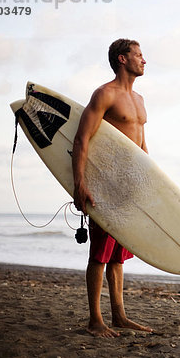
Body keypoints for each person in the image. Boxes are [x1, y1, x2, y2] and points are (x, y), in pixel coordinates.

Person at [72, 38, 152, 337]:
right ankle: (95, 320)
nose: (144, 60)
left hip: (130, 186)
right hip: (106, 184)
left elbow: (142, 146)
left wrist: (150, 184)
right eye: (139, 55)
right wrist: (79, 184)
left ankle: (119, 316)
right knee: (99, 254)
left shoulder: (140, 100)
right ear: (122, 59)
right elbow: (82, 139)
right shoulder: (105, 94)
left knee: (119, 256)